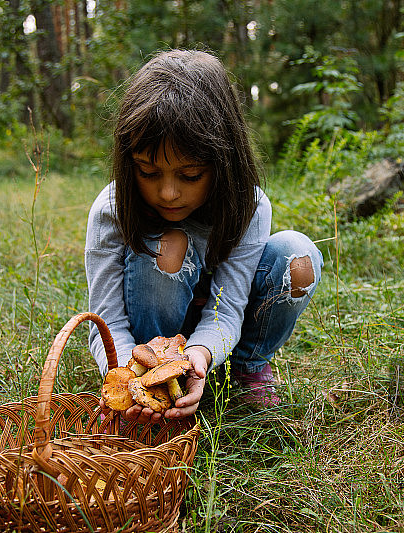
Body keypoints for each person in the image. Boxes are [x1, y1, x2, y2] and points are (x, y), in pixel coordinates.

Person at [85, 49, 323, 424]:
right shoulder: (111, 209)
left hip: (211, 337)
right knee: (171, 244)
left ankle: (246, 368)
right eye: (148, 172)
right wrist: (132, 377)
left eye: (190, 175)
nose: (168, 193)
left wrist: (200, 355)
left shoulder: (249, 206)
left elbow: (225, 309)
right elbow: (106, 320)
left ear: (223, 162)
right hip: (146, 350)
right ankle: (157, 390)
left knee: (298, 258)